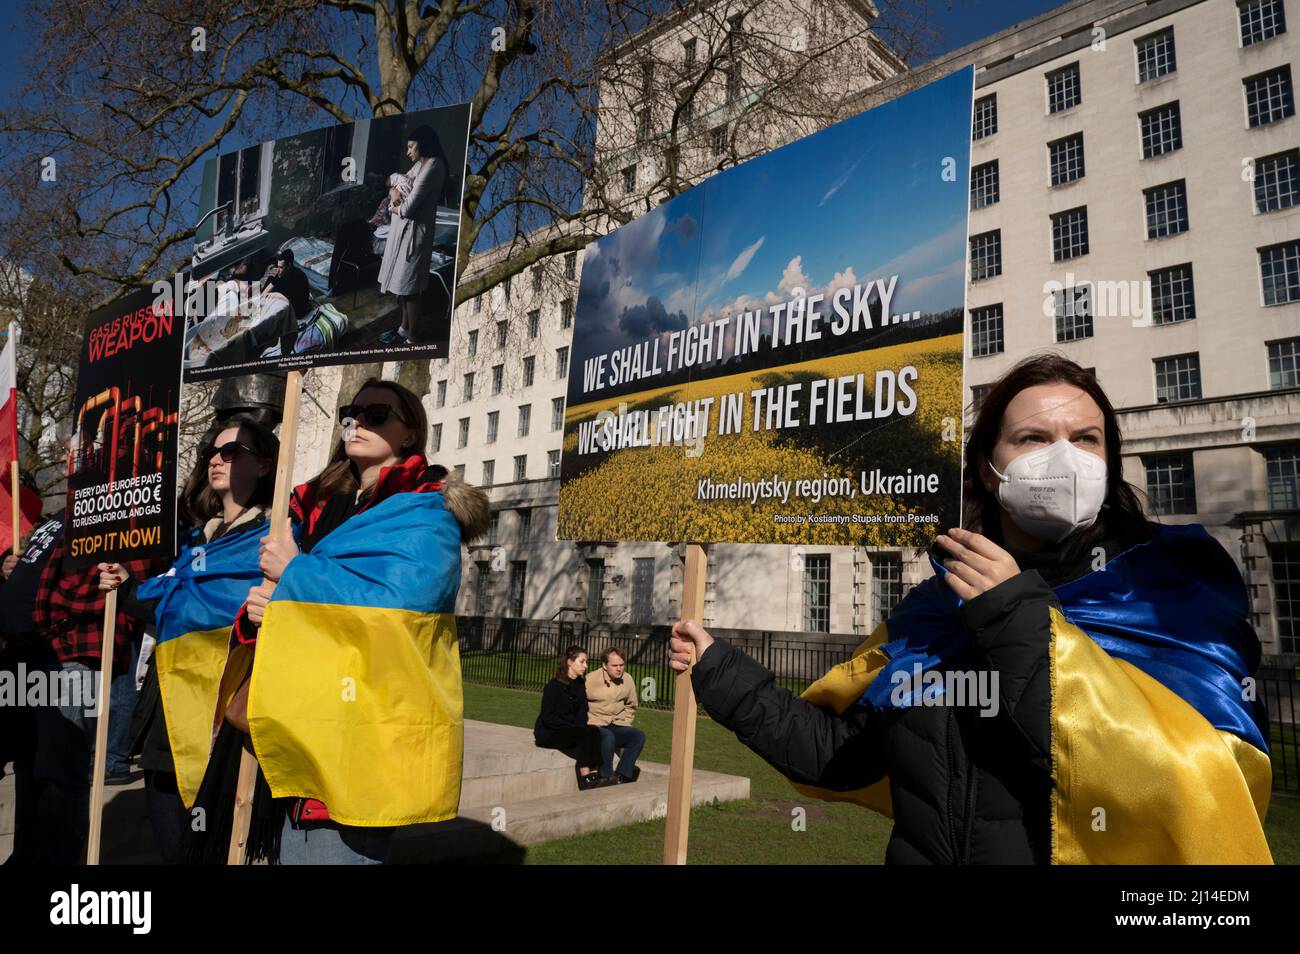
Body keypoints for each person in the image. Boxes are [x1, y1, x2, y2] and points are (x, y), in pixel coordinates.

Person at [669, 353, 1273, 865]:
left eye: (1086, 439)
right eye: (1034, 438)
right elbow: (837, 753)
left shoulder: (1168, 588)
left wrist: (1013, 616)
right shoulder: (935, 607)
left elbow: (1197, 783)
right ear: (987, 467)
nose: (1064, 459)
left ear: (1110, 459)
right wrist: (719, 668)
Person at [205, 377, 489, 865]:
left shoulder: (428, 512)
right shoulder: (314, 507)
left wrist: (295, 571)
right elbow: (306, 606)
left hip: (364, 720)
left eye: (377, 415)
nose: (358, 422)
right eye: (352, 414)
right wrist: (265, 611)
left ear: (409, 435)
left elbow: (397, 606)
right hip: (305, 714)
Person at [97, 417, 277, 863]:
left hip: (220, 713)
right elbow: (171, 600)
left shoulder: (272, 540)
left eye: (232, 452)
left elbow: (216, 607)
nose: (216, 460)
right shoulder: (196, 538)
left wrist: (167, 594)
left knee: (202, 850)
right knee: (169, 842)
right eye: (212, 452)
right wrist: (123, 586)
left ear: (264, 467)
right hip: (165, 707)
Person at [20, 519, 156, 863]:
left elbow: (130, 581)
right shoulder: (73, 521)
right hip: (47, 650)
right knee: (41, 768)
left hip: (80, 654)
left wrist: (104, 584)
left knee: (63, 773)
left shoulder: (128, 524)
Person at [376, 125, 447, 346]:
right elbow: (395, 184)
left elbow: (407, 208)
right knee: (402, 286)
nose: (408, 152)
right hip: (402, 232)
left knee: (411, 287)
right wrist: (393, 194)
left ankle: (414, 338)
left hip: (415, 235)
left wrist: (395, 204)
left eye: (411, 146)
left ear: (422, 143)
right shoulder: (419, 164)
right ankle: (404, 328)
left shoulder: (434, 166)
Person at [534, 646, 611, 791]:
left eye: (586, 662)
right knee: (583, 734)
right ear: (570, 662)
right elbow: (547, 717)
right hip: (550, 732)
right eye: (582, 662)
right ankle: (585, 778)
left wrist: (578, 727)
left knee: (593, 731)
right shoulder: (553, 686)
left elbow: (583, 711)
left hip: (571, 730)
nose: (586, 666)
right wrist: (573, 728)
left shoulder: (580, 684)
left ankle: (594, 775)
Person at [585, 647, 644, 785]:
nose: (619, 669)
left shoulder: (627, 679)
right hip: (594, 725)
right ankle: (605, 776)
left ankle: (621, 775)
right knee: (607, 736)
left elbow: (631, 705)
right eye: (615, 665)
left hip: (617, 724)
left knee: (638, 735)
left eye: (621, 665)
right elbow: (578, 705)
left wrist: (625, 721)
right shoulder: (591, 680)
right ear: (605, 665)